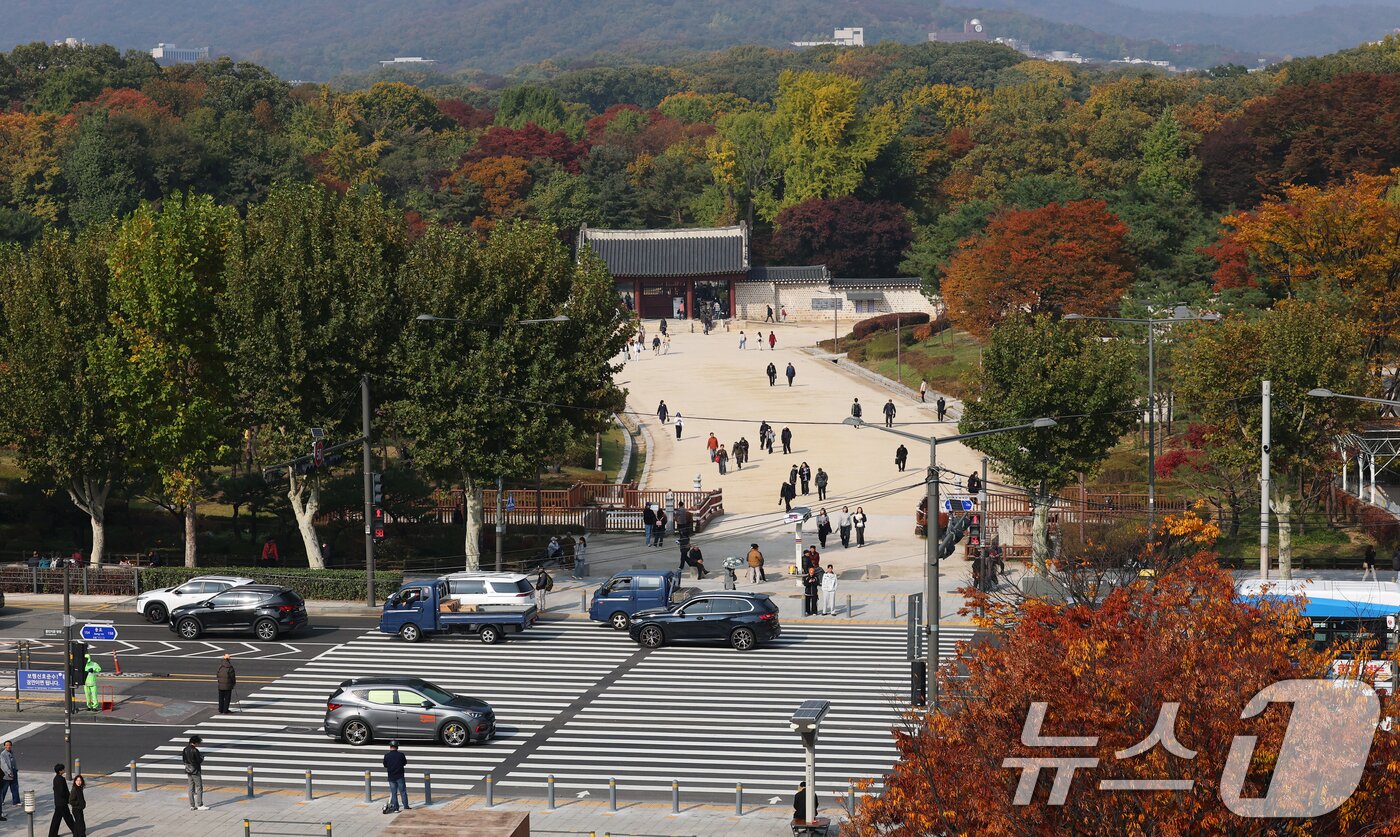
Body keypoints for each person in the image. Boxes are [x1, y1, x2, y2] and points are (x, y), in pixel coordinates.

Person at [49, 764, 76, 837]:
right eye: (63, 769)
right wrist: (68, 798)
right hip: (62, 803)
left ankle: (52, 834)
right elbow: (63, 791)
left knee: (56, 819)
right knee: (68, 818)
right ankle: (76, 832)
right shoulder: (61, 779)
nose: (64, 770)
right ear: (60, 771)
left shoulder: (55, 778)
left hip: (58, 802)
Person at [182, 736, 208, 810]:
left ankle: (192, 805)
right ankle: (200, 804)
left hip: (188, 770)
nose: (198, 744)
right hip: (195, 771)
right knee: (199, 787)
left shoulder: (185, 749)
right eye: (198, 743)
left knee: (191, 788)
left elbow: (184, 760)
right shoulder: (195, 750)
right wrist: (202, 758)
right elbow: (198, 760)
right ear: (195, 742)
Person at [384, 741, 409, 812]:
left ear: (390, 747)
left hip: (391, 776)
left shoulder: (387, 755)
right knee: (403, 791)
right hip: (400, 776)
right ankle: (406, 806)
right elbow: (404, 763)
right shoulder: (401, 755)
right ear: (397, 747)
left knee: (394, 793)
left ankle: (396, 808)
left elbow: (385, 765)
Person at [1, 740, 17, 818]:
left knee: (15, 787)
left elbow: (13, 762)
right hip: (6, 774)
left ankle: (16, 801)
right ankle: (2, 801)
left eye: (9, 745)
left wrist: (15, 769)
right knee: (4, 789)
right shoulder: (3, 754)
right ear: (4, 746)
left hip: (13, 772)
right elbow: (4, 764)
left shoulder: (12, 752)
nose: (8, 746)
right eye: (7, 745)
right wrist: (9, 772)